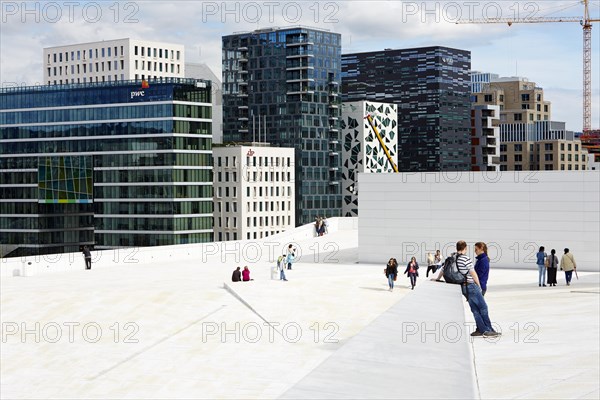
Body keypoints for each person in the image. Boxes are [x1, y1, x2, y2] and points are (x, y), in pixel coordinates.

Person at [435, 240, 499, 338]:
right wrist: (478, 285)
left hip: (462, 287)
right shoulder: (465, 259)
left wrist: (437, 279)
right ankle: (487, 330)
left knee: (474, 309)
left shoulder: (451, 257)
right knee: (483, 307)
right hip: (471, 285)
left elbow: (443, 269)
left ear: (457, 248)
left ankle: (482, 329)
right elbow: (473, 273)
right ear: (465, 248)